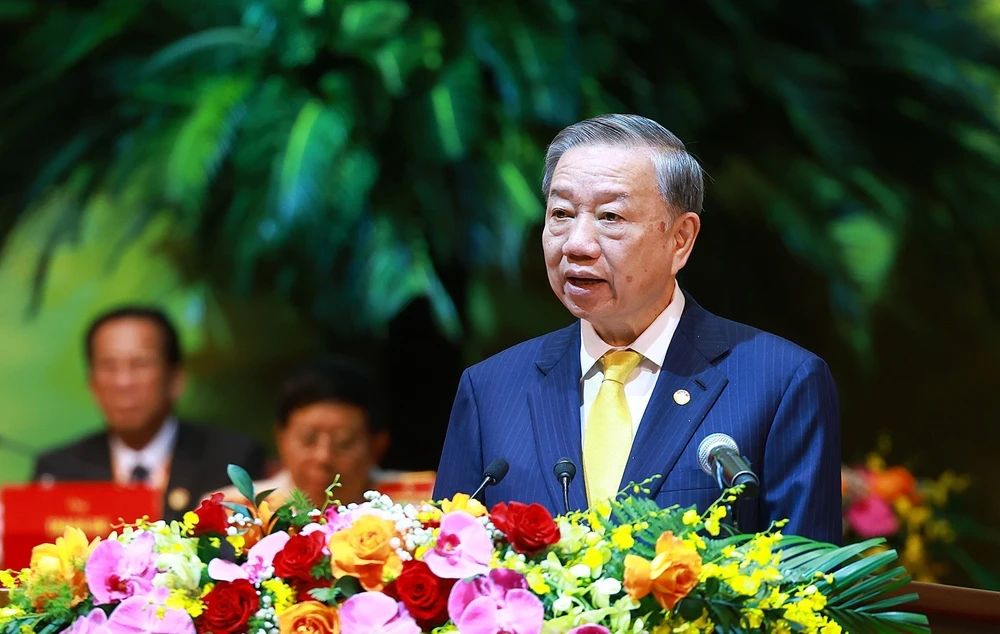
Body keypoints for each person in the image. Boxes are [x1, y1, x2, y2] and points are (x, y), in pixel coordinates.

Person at [433, 114, 841, 543]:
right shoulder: (490, 389)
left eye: (610, 217)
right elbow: (449, 568)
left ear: (680, 239)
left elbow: (808, 587)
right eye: (561, 213)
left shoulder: (779, 382)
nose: (576, 244)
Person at [33, 306, 267, 522]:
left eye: (141, 364)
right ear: (92, 383)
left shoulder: (232, 460)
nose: (123, 382)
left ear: (176, 379)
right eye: (108, 366)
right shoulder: (58, 472)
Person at [215, 356, 434, 509]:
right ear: (281, 439)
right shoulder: (232, 509)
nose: (324, 457)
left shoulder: (427, 503)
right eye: (308, 440)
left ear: (378, 446)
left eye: (344, 443)